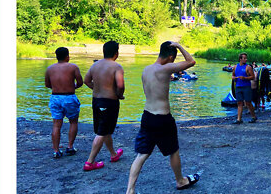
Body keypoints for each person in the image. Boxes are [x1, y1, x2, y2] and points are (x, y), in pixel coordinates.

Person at [126, 42, 200, 193]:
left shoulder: (145, 70)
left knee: (142, 155)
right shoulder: (166, 69)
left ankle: (130, 190)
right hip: (163, 119)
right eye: (173, 58)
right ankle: (180, 181)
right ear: (171, 57)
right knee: (173, 151)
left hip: (147, 117)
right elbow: (191, 61)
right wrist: (179, 45)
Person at [83, 41, 125, 171]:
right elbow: (120, 85)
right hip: (109, 102)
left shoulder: (95, 65)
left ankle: (113, 154)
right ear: (116, 53)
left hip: (96, 101)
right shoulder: (116, 67)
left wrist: (96, 88)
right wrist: (119, 95)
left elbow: (86, 80)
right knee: (102, 132)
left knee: (105, 129)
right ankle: (90, 162)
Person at [45, 47, 83, 159]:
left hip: (55, 97)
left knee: (56, 125)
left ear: (56, 56)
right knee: (73, 122)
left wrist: (57, 87)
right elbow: (80, 82)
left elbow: (47, 84)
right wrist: (72, 87)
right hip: (69, 97)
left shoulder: (49, 69)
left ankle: (56, 151)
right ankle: (70, 146)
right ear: (67, 56)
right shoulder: (73, 67)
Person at [231, 53, 257, 124]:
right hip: (238, 87)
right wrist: (233, 77)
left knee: (248, 102)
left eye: (246, 58)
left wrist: (245, 78)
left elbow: (253, 77)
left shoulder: (248, 67)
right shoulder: (235, 67)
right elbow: (233, 75)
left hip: (246, 87)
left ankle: (253, 116)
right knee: (239, 103)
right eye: (244, 58)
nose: (246, 59)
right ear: (240, 59)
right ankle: (239, 119)